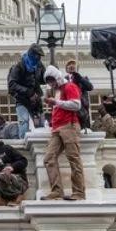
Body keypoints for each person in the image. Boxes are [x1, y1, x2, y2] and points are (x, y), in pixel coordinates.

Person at [40, 66, 84, 201]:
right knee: (48, 158)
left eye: (52, 80)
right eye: (49, 82)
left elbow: (77, 105)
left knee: (74, 158)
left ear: (57, 77)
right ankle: (57, 191)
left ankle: (79, 193)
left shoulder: (69, 87)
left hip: (69, 125)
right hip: (57, 128)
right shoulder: (57, 90)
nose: (51, 84)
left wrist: (56, 102)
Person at [7, 44, 46, 137]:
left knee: (40, 122)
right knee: (24, 121)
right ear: (32, 54)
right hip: (22, 99)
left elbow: (44, 78)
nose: (38, 58)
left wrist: (52, 76)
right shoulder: (19, 65)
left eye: (40, 56)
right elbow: (12, 84)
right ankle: (22, 142)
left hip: (35, 101)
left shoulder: (39, 65)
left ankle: (41, 141)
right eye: (37, 55)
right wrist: (29, 92)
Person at [64, 60, 93, 130]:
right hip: (68, 110)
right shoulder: (63, 80)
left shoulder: (83, 78)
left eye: (73, 64)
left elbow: (90, 87)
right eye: (69, 64)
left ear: (77, 67)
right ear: (66, 69)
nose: (71, 65)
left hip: (81, 110)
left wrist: (80, 79)